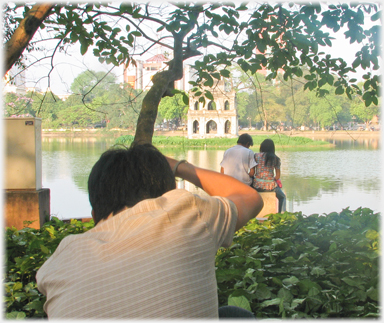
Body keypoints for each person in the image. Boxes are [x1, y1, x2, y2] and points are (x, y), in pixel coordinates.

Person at [36, 143, 264, 319]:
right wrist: (177, 166)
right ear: (168, 194)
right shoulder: (184, 212)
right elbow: (250, 198)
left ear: (95, 214)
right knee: (235, 316)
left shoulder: (56, 265)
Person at [252, 138, 286, 213]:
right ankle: (281, 214)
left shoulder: (256, 156)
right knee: (282, 197)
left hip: (257, 185)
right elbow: (277, 176)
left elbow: (252, 172)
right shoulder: (276, 158)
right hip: (270, 186)